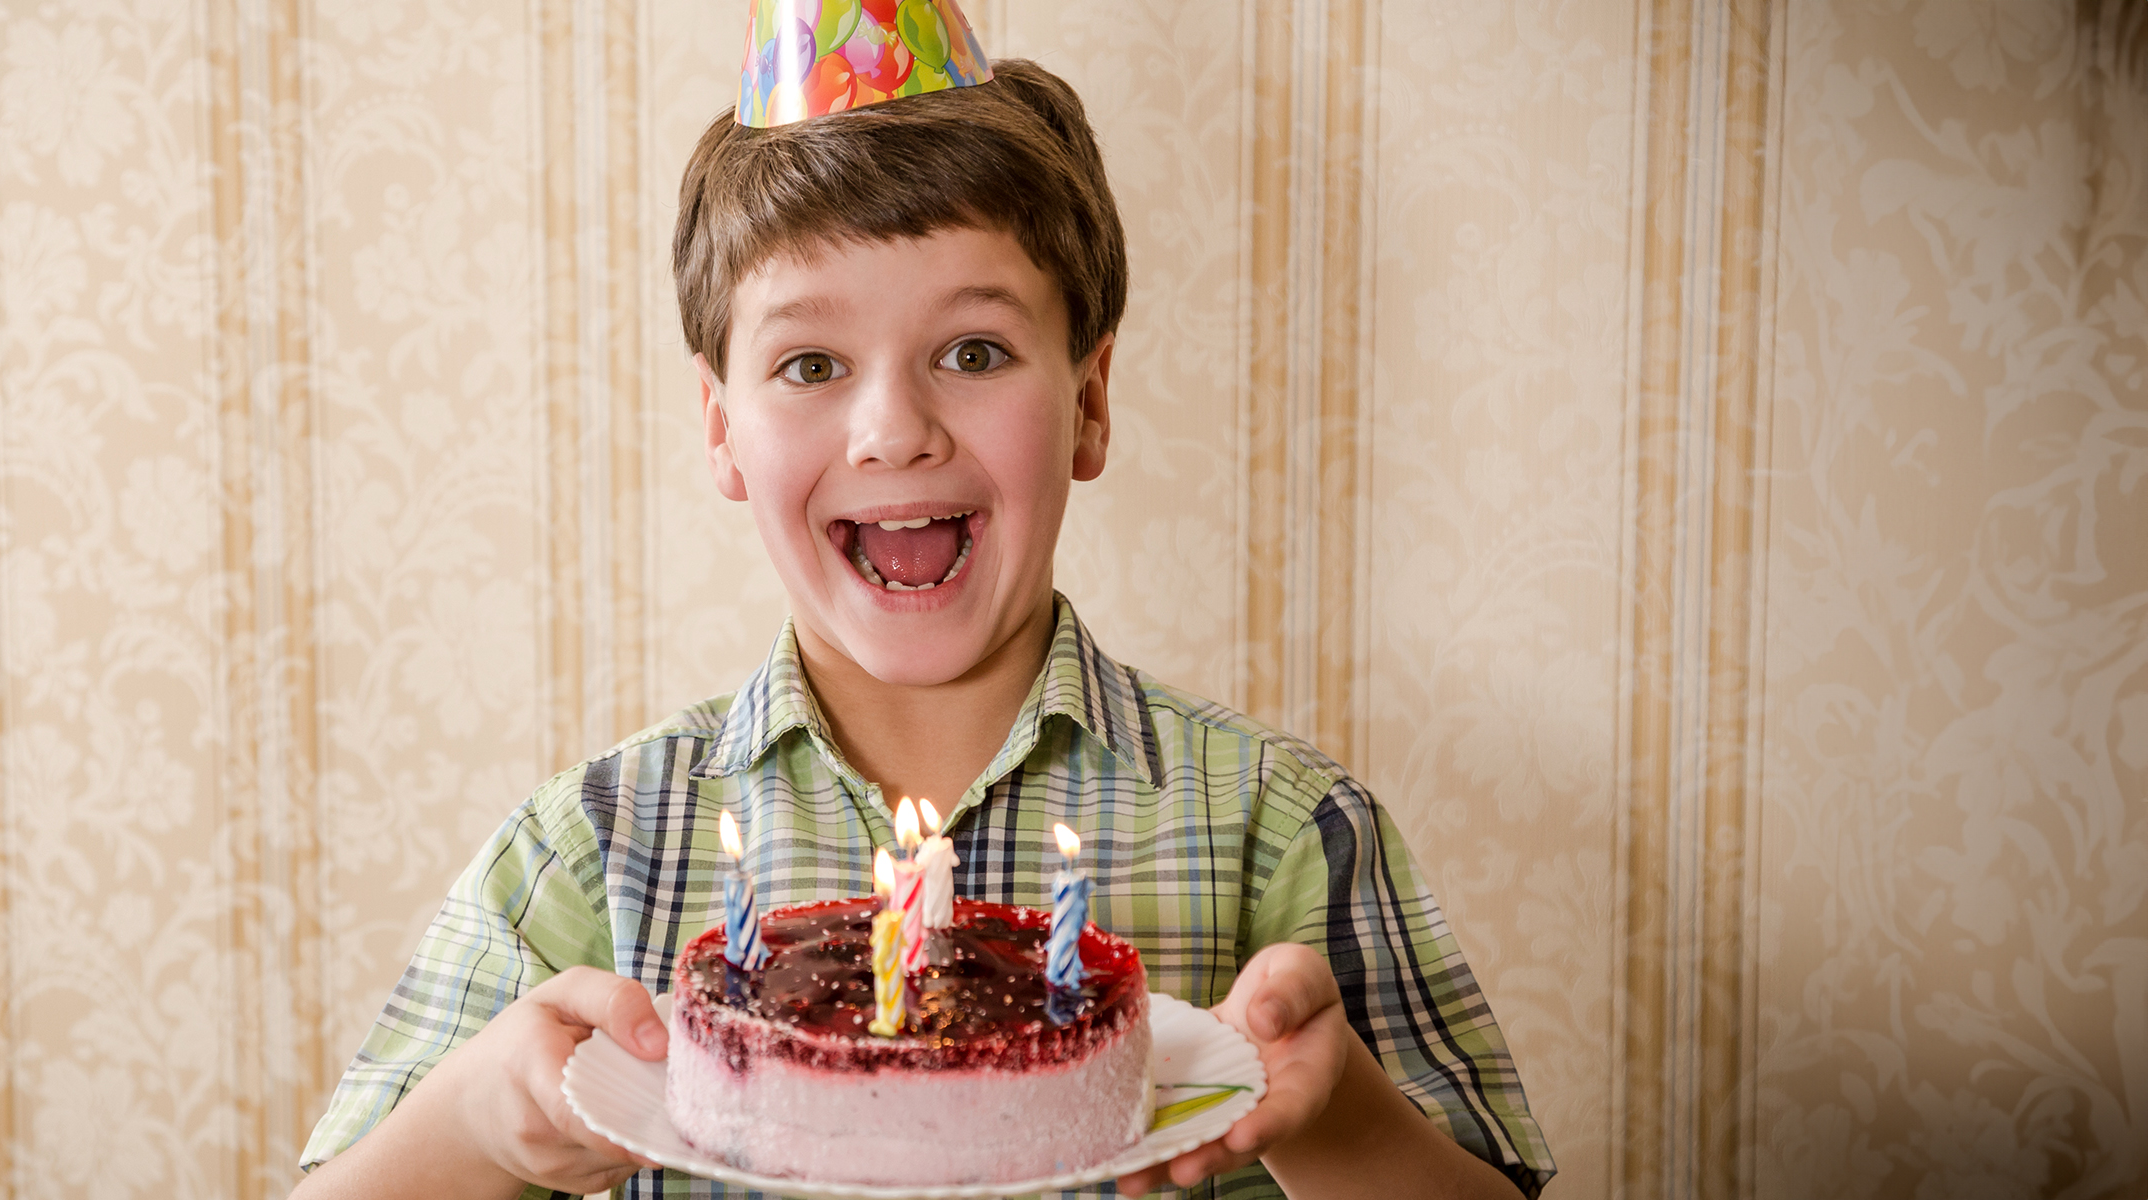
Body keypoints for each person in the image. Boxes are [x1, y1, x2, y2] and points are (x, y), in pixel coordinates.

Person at [295, 7, 1554, 1198]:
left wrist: (1335, 1116)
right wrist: (474, 1123)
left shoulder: (1282, 839)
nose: (893, 430)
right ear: (722, 427)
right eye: (810, 363)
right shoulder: (593, 856)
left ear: (1091, 401)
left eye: (973, 351)